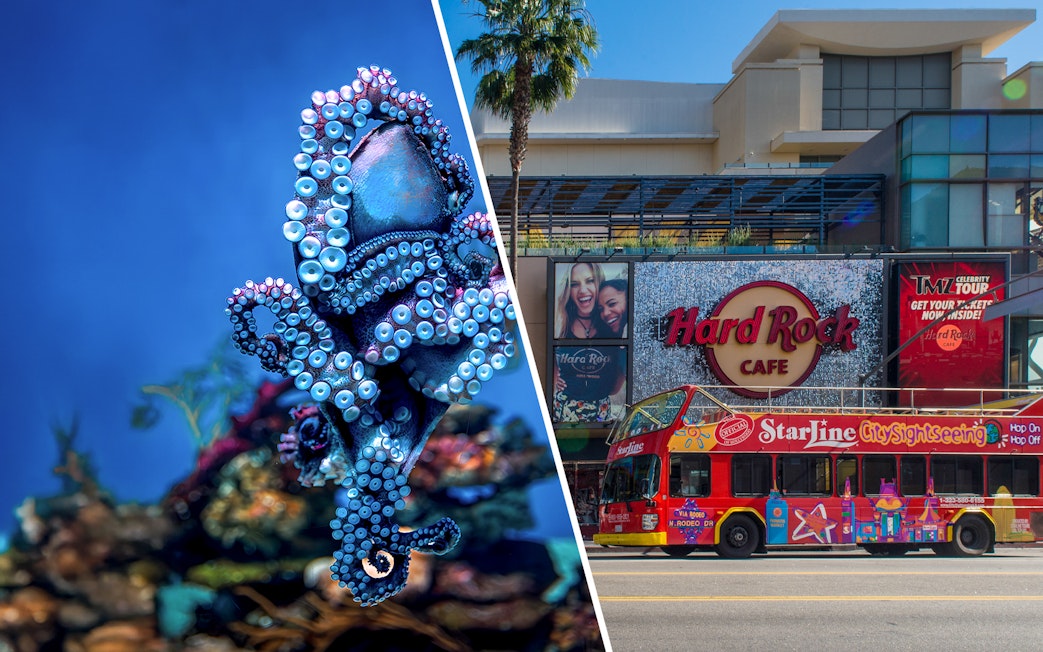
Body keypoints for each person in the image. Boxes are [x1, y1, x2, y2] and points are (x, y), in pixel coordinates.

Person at [555, 262, 605, 339]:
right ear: (568, 291)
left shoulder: (611, 322)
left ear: (600, 282)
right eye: (574, 284)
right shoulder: (559, 327)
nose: (582, 290)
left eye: (590, 281)